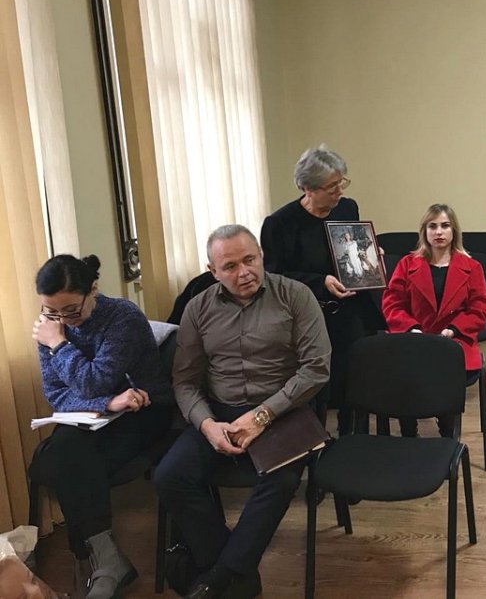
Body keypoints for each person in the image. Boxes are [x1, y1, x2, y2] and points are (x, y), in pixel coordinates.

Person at [154, 225, 330, 599]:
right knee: (169, 476)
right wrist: (206, 424)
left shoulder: (296, 296)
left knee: (280, 480)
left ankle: (218, 578)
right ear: (213, 271)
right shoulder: (198, 308)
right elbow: (184, 381)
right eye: (230, 266)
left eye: (250, 260)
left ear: (261, 255)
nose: (244, 272)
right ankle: (236, 573)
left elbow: (316, 369)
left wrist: (262, 416)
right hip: (219, 412)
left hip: (284, 410)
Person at [28, 255, 173, 599]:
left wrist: (58, 344)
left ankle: (90, 562)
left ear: (93, 290)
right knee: (66, 454)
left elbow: (93, 381)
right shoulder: (50, 325)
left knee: (60, 460)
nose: (63, 321)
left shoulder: (122, 317)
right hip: (95, 418)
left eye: (71, 310)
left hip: (145, 412)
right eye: (52, 311)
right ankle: (103, 560)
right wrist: (107, 403)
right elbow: (56, 395)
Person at [260, 145, 384, 434]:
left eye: (341, 183)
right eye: (331, 187)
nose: (339, 192)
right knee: (318, 387)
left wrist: (371, 254)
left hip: (351, 311)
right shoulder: (280, 224)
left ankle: (353, 438)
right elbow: (274, 276)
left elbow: (352, 248)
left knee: (355, 381)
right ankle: (316, 443)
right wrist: (321, 282)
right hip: (310, 316)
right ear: (308, 188)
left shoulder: (347, 208)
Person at [381, 204, 486, 437]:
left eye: (445, 226)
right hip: (413, 339)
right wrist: (411, 329)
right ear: (424, 231)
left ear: (454, 231)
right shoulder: (407, 264)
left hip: (454, 341)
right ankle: (408, 433)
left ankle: (448, 435)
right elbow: (392, 304)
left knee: (445, 373)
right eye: (432, 226)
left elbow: (480, 308)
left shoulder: (472, 267)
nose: (439, 232)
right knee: (404, 373)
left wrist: (454, 329)